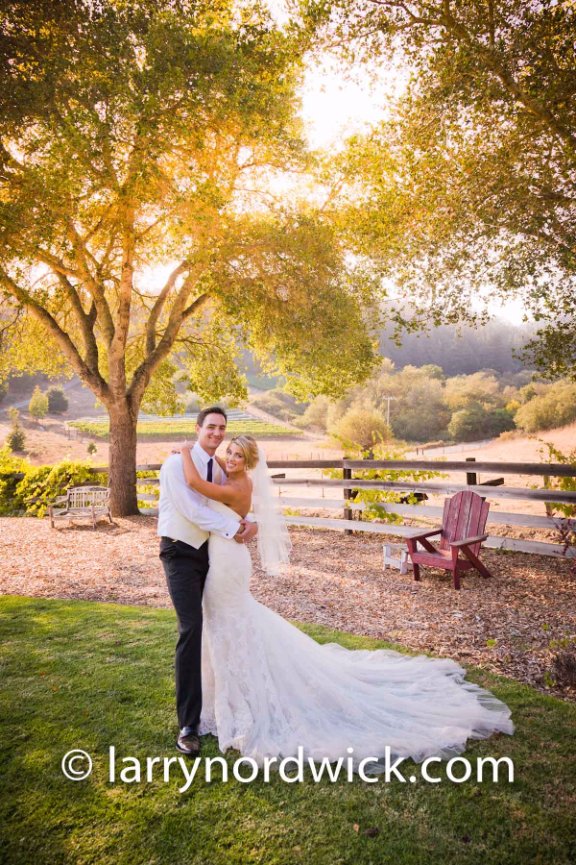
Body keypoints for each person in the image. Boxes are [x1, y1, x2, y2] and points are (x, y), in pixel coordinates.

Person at [176, 433, 514, 770]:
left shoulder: (237, 486)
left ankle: (240, 698)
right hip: (221, 556)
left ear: (249, 461)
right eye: (229, 453)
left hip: (227, 564)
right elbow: (217, 463)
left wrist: (185, 450)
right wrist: (214, 454)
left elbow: (193, 481)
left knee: (229, 620)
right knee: (227, 622)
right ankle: (223, 695)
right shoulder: (232, 472)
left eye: (238, 455)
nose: (230, 458)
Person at [158, 406, 258, 758]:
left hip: (211, 555)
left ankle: (223, 701)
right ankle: (188, 724)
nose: (217, 433)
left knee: (219, 624)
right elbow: (193, 511)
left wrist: (251, 520)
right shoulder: (174, 465)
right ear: (198, 428)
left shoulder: (218, 466)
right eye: (211, 427)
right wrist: (236, 529)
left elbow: (235, 497)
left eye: (222, 428)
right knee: (191, 627)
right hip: (180, 553)